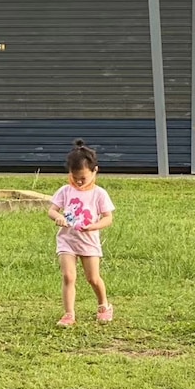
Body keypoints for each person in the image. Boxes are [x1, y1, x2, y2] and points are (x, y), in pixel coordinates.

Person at [48, 139, 116, 327]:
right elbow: (52, 210)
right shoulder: (65, 191)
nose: (78, 181)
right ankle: (69, 313)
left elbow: (108, 218)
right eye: (74, 177)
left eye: (83, 178)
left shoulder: (99, 194)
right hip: (67, 240)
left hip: (89, 241)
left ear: (95, 171)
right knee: (69, 276)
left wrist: (94, 226)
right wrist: (58, 218)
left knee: (92, 278)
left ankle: (104, 305)